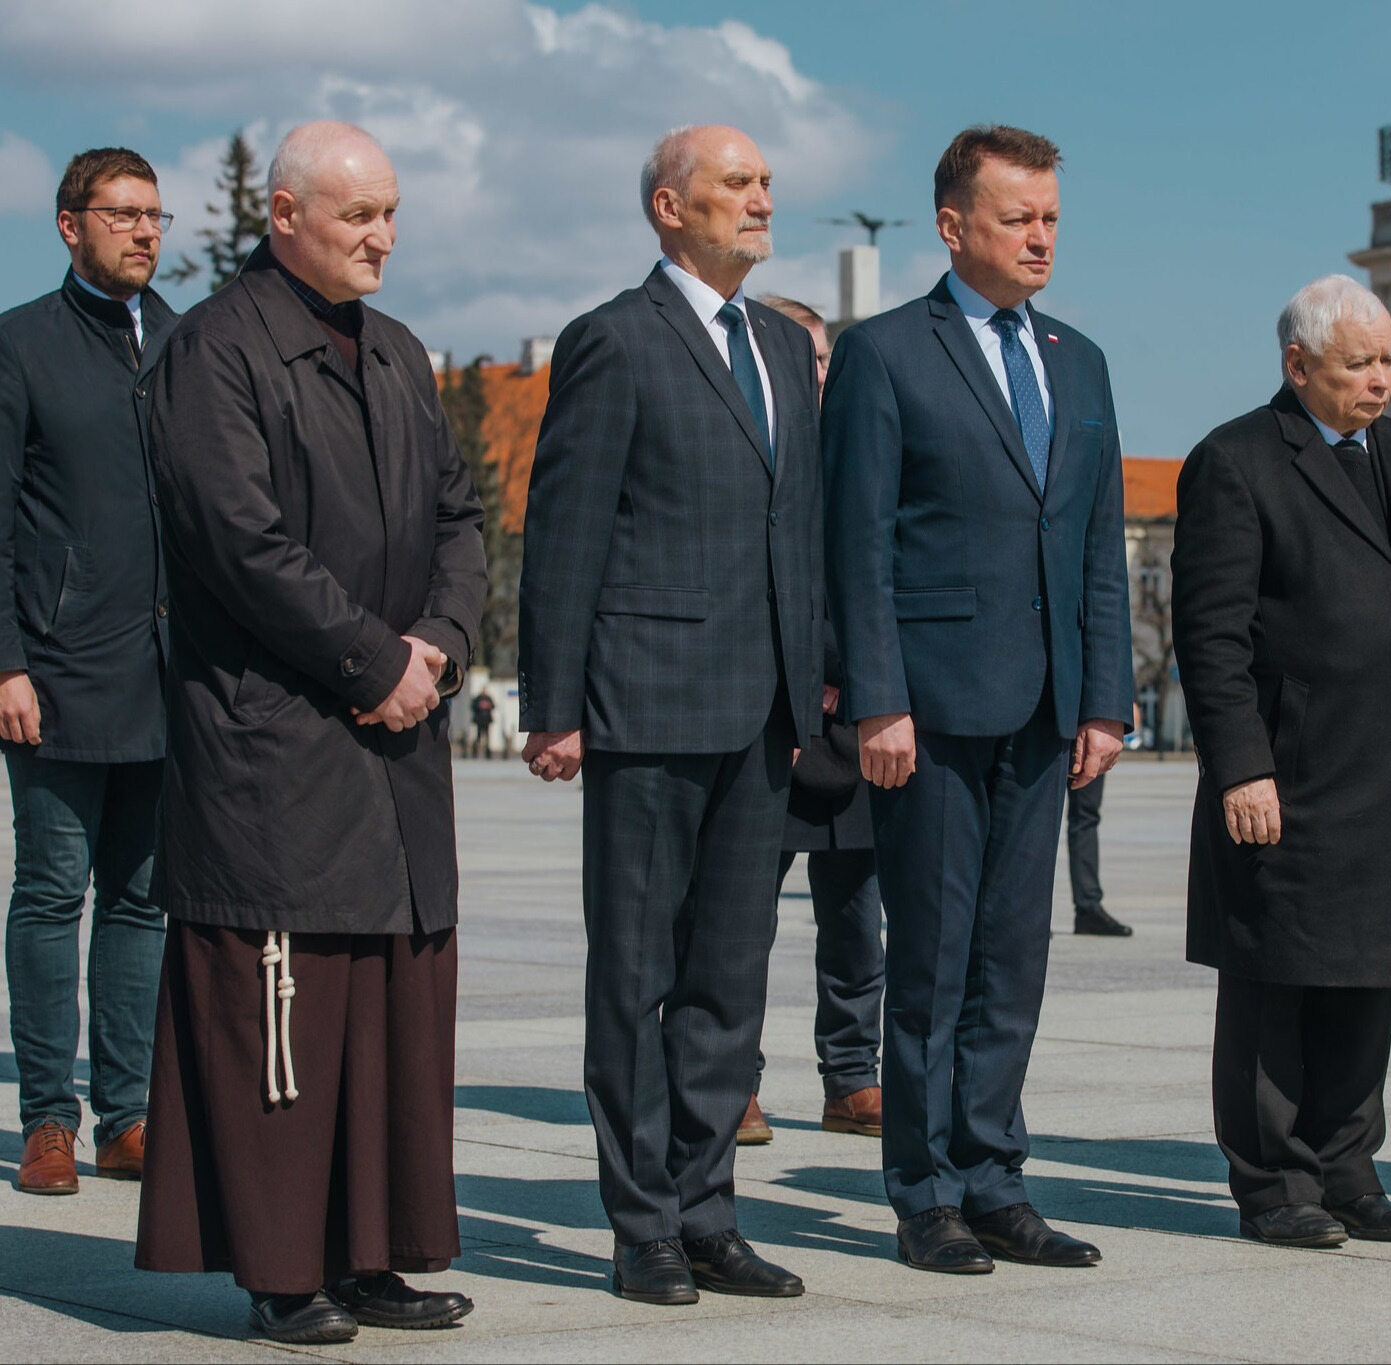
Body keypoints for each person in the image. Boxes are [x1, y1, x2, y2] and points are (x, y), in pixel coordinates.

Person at [133, 122, 486, 1345]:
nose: (382, 236)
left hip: (396, 748)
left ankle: (375, 1255)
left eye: (391, 213)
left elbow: (459, 513)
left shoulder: (394, 349)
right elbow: (240, 544)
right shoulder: (213, 352)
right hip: (276, 747)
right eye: (357, 216)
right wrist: (373, 659)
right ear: (285, 215)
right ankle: (287, 1273)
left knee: (391, 1012)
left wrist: (437, 638)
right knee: (287, 1016)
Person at [518, 125, 822, 1306]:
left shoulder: (788, 350)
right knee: (636, 976)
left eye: (763, 184)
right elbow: (566, 531)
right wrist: (555, 704)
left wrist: (825, 673)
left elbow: (799, 526)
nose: (761, 200)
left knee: (729, 981)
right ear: (667, 207)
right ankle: (640, 1221)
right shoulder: (614, 340)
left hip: (765, 710)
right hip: (647, 703)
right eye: (736, 185)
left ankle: (708, 1213)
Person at [822, 125, 1133, 1275]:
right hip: (932, 710)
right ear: (954, 227)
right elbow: (855, 540)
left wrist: (1108, 697)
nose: (1041, 236)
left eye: (1051, 217)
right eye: (1018, 218)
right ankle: (926, 1192)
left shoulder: (1081, 360)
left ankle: (997, 1178)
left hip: (1049, 709)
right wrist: (877, 698)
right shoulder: (887, 354)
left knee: (1015, 957)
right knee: (936, 957)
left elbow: (1099, 545)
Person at [1171, 275, 1391, 1249]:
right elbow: (1210, 637)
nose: (1380, 382)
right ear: (1297, 366)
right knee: (1275, 979)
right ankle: (1274, 1185)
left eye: (1388, 363)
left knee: (1366, 975)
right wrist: (1241, 764)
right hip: (1292, 770)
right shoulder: (1236, 461)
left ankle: (1348, 1167)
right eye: (1358, 365)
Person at [0, 147, 176, 1195]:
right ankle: (48, 1121)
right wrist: (2, 663)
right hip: (56, 673)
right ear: (67, 224)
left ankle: (128, 1116)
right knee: (51, 894)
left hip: (169, 679)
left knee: (141, 901)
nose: (142, 232)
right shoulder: (16, 347)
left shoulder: (185, 345)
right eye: (121, 214)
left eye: (154, 216)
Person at [740, 294, 884, 1148]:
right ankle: (734, 1082)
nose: (822, 371)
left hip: (857, 716)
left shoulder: (860, 442)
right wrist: (802, 674)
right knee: (741, 913)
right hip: (775, 715)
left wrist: (855, 679)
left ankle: (852, 1076)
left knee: (858, 912)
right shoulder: (759, 442)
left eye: (827, 357)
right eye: (808, 356)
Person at [1064, 700, 1140, 937]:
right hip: (1044, 711)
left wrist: (1127, 698)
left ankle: (1088, 908)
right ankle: (1026, 908)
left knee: (1086, 815)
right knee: (1034, 816)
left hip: (1090, 714)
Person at [469, 688, 497, 758]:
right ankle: (475, 752)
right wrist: (480, 706)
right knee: (478, 737)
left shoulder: (488, 698)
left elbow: (493, 706)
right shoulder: (478, 698)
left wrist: (487, 706)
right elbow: (473, 706)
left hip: (486, 720)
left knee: (487, 738)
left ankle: (487, 754)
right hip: (479, 720)